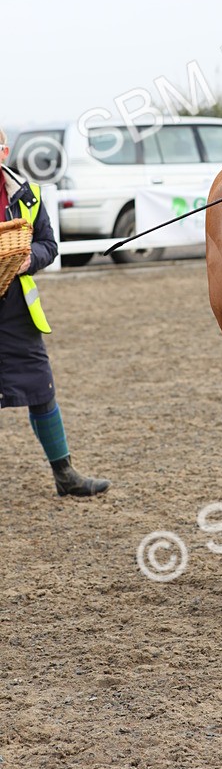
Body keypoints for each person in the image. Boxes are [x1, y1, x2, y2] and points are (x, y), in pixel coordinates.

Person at [0, 128, 110, 496]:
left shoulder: (27, 194)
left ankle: (65, 475)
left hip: (15, 307)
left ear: (5, 149)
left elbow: (49, 244)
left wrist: (30, 259)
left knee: (41, 388)